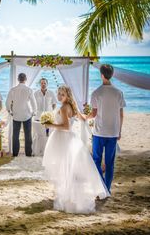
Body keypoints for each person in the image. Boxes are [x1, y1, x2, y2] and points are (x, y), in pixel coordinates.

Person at [42, 85, 109, 214]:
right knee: (69, 168)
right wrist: (91, 117)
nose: (59, 96)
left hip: (64, 139)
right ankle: (69, 194)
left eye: (62, 94)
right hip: (72, 139)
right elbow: (82, 118)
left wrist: (50, 124)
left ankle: (67, 196)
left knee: (65, 167)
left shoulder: (63, 108)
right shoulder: (73, 106)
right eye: (59, 93)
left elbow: (66, 127)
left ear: (67, 96)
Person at [84, 64, 126, 193]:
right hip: (113, 132)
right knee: (109, 163)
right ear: (111, 75)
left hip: (99, 132)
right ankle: (107, 189)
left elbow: (94, 114)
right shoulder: (119, 92)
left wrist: (85, 117)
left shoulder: (96, 93)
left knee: (96, 160)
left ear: (102, 75)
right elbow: (121, 115)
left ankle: (101, 185)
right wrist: (119, 131)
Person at [6, 73, 37, 157]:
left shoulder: (13, 90)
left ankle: (15, 153)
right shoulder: (29, 90)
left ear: (18, 79)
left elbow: (8, 102)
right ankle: (28, 153)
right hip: (27, 115)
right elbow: (34, 103)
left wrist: (9, 111)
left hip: (16, 115)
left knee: (15, 135)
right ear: (25, 79)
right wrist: (34, 112)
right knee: (28, 135)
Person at [33, 78, 58, 155]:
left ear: (47, 84)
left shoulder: (51, 93)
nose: (43, 84)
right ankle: (38, 150)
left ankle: (47, 151)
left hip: (48, 117)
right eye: (42, 83)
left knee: (47, 134)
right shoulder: (36, 93)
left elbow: (54, 104)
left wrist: (50, 112)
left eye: (44, 83)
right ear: (40, 84)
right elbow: (33, 104)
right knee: (39, 134)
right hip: (38, 117)